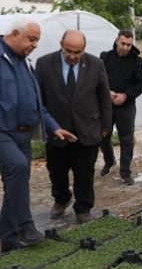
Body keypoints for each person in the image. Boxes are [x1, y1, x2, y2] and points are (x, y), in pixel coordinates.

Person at [0, 15, 77, 253]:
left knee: (16, 182)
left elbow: (37, 104)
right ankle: (25, 226)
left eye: (37, 40)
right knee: (17, 167)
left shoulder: (24, 63)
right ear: (14, 34)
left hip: (22, 134)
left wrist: (53, 127)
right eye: (31, 39)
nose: (35, 45)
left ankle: (8, 240)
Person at [35, 30, 112, 224]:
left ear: (84, 49)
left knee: (84, 171)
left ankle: (83, 207)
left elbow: (104, 96)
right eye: (68, 51)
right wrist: (45, 126)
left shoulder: (96, 64)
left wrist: (105, 125)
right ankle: (61, 199)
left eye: (77, 52)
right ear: (61, 44)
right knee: (56, 170)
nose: (72, 56)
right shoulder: (44, 64)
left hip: (87, 128)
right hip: (56, 129)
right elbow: (38, 98)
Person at [99, 30, 142, 185]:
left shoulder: (136, 61)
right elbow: (98, 79)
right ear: (116, 41)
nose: (126, 48)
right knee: (102, 136)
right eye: (123, 44)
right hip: (107, 104)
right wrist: (107, 92)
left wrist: (126, 95)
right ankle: (109, 160)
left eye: (129, 44)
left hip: (126, 106)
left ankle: (125, 172)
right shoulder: (105, 57)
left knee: (126, 140)